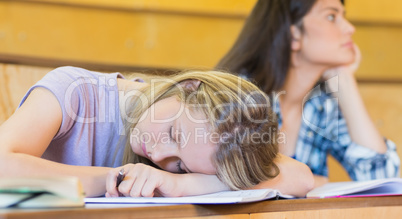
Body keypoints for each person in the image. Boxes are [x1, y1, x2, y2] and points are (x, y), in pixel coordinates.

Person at [0, 66, 314, 198]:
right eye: (174, 134)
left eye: (180, 164)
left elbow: (301, 177)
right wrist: (120, 179)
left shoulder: (171, 169)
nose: (159, 155)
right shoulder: (77, 92)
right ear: (187, 87)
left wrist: (177, 184)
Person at [216, 0, 400, 187]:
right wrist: (311, 182)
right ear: (294, 34)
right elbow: (234, 181)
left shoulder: (321, 104)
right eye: (331, 16)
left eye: (343, 16)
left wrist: (343, 79)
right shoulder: (238, 95)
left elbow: (382, 178)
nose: (350, 28)